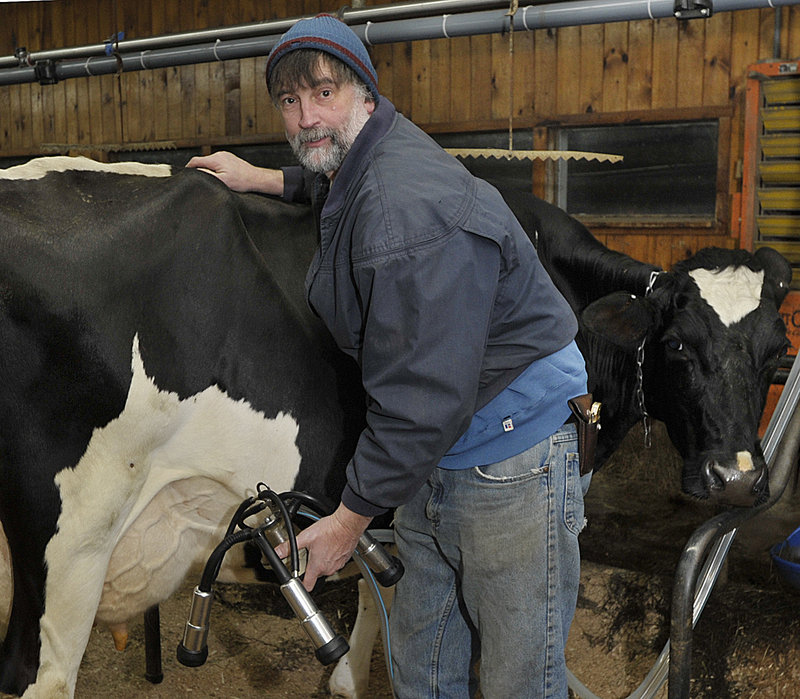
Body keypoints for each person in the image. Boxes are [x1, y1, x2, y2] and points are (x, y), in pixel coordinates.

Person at [188, 14, 589, 698]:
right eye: (290, 101)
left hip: (512, 453)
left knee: (520, 678)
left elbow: (422, 394)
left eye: (323, 93)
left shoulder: (402, 214)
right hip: (437, 448)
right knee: (423, 668)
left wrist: (350, 518)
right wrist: (261, 178)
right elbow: (328, 178)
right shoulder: (367, 153)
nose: (306, 115)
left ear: (365, 95)